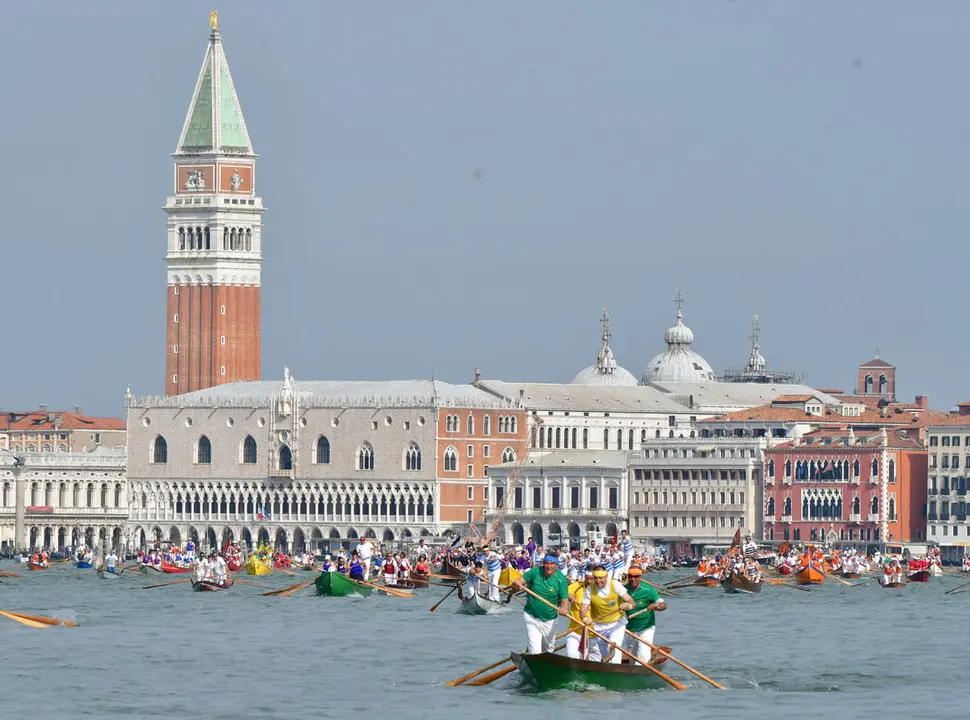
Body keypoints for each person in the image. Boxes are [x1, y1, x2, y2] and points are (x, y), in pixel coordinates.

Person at [512, 554, 570, 654]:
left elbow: (564, 600)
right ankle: (533, 655)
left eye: (552, 564)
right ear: (543, 564)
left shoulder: (561, 579)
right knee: (535, 651)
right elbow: (519, 582)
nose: (549, 566)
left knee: (547, 650)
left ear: (556, 565)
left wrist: (564, 609)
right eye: (546, 563)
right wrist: (517, 585)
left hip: (550, 620)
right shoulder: (535, 572)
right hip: (532, 617)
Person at [579, 565, 636, 664]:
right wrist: (584, 618)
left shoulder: (615, 585)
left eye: (600, 578)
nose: (597, 581)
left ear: (606, 577)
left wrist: (628, 606)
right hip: (599, 626)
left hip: (617, 624)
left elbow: (632, 602)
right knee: (605, 656)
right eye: (595, 578)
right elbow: (583, 610)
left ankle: (616, 674)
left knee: (614, 651)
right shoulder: (589, 590)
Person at [622, 567, 665, 662]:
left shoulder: (648, 590)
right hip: (629, 628)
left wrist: (656, 606)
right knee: (632, 659)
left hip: (646, 627)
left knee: (643, 656)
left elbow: (663, 605)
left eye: (636, 576)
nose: (633, 579)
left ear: (640, 577)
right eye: (630, 576)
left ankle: (642, 669)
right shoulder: (623, 590)